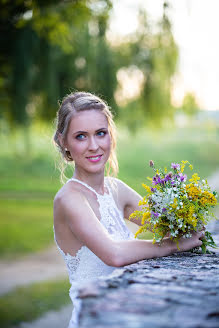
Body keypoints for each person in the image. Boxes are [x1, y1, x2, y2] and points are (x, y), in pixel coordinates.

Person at [53, 91, 204, 328]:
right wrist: (172, 246)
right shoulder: (69, 199)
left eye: (100, 133)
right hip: (95, 320)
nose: (94, 146)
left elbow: (169, 226)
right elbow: (114, 254)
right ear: (64, 143)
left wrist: (186, 210)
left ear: (111, 136)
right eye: (81, 136)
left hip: (129, 317)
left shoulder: (117, 190)